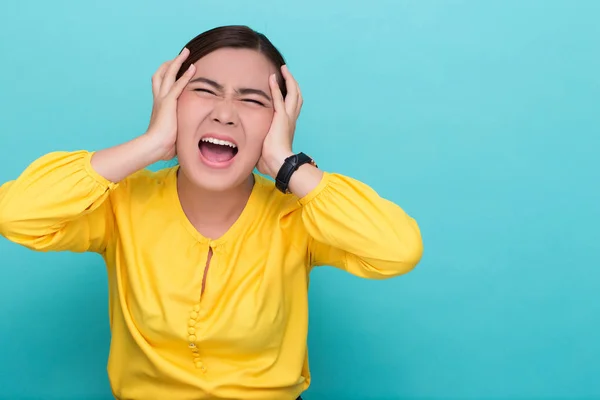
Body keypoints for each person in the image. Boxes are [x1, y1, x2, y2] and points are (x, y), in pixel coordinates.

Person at [0, 25, 423, 400]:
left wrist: (287, 163)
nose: (224, 113)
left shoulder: (299, 215)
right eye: (204, 91)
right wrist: (150, 145)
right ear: (171, 101)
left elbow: (397, 249)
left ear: (279, 121)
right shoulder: (121, 203)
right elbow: (15, 214)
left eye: (253, 101)